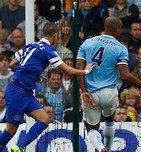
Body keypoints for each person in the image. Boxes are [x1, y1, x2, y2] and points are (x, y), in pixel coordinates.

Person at [0, 22, 94, 152]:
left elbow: (13, 62)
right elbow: (69, 71)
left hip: (26, 92)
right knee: (11, 129)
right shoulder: (49, 51)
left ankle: (19, 147)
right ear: (56, 35)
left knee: (44, 119)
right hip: (17, 91)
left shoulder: (32, 45)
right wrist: (86, 71)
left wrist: (31, 74)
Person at [76, 16, 141, 152]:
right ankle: (108, 147)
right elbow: (125, 76)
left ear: (105, 27)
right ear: (117, 29)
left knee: (91, 128)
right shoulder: (120, 48)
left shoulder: (87, 43)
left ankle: (101, 148)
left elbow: (79, 69)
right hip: (109, 92)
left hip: (90, 93)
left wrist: (83, 91)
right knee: (109, 119)